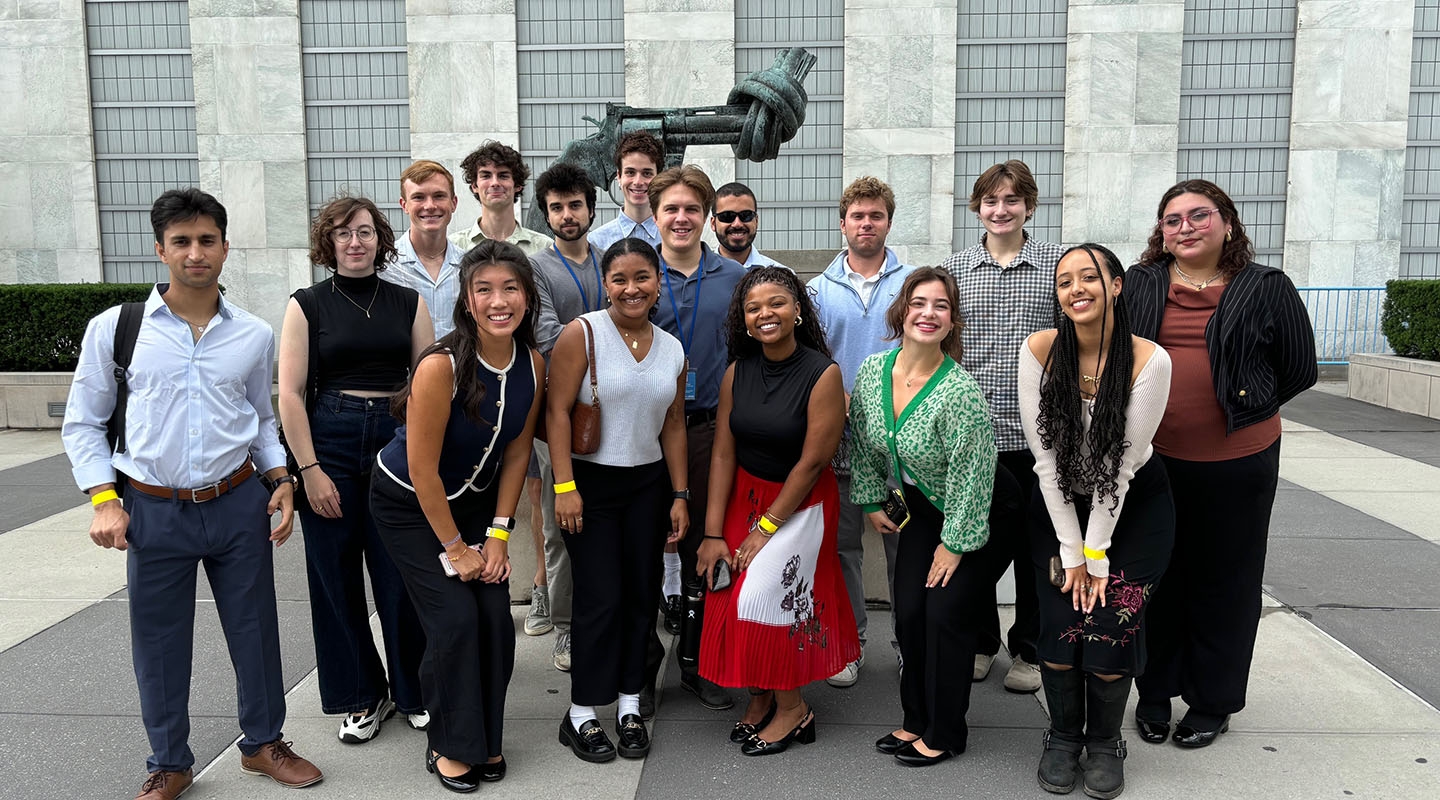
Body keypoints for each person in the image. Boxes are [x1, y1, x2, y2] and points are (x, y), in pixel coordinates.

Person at [61, 188, 323, 800]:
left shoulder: (253, 336)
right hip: (152, 508)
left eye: (207, 240)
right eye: (182, 242)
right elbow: (83, 421)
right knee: (159, 641)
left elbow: (261, 418)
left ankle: (263, 744)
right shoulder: (117, 330)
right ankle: (170, 760)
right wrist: (104, 497)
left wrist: (280, 478)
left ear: (226, 248)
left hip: (236, 503)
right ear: (160, 250)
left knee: (256, 629)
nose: (195, 252)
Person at [1128, 180, 1316, 749]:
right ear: (1160, 232)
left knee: (1227, 581)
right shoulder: (1139, 284)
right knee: (1154, 578)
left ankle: (1212, 700)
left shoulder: (1265, 286)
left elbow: (1299, 367)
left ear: (1227, 223)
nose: (1185, 227)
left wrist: (1244, 406)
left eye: (1198, 216)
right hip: (1152, 463)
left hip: (1240, 462)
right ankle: (1154, 691)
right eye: (1172, 219)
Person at [369, 240, 545, 793]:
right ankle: (448, 742)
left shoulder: (533, 363)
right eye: (485, 290)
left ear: (527, 296)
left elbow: (518, 452)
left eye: (510, 288)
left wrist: (497, 537)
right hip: (408, 505)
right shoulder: (440, 366)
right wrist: (456, 549)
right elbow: (422, 471)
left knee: (494, 619)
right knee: (454, 620)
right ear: (467, 301)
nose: (499, 301)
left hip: (473, 507)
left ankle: (483, 737)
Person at [1020, 243, 1174, 798]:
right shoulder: (1039, 350)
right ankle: (1063, 737)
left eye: (1090, 277)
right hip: (1059, 505)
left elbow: (1120, 466)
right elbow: (1045, 459)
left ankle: (1105, 742)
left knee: (1110, 626)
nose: (1076, 289)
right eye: (1064, 282)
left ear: (1115, 285)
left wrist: (1096, 553)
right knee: (1062, 623)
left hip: (1131, 512)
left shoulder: (1150, 359)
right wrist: (1072, 550)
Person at [278, 196, 434, 744]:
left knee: (401, 572)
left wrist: (420, 459)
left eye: (365, 232)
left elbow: (427, 384)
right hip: (332, 440)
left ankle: (413, 689)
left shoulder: (409, 302)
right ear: (329, 242)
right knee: (335, 576)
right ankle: (362, 696)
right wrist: (310, 470)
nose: (355, 242)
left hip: (394, 438)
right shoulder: (307, 305)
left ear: (380, 238)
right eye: (344, 233)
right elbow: (291, 396)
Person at [697, 265, 860, 757]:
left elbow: (813, 462)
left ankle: (794, 710)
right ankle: (761, 695)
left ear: (797, 311)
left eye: (776, 303)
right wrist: (712, 531)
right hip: (743, 492)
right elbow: (724, 452)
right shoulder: (736, 372)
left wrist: (764, 530)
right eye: (753, 307)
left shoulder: (822, 373)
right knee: (728, 592)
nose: (765, 314)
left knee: (764, 598)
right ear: (743, 320)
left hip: (800, 502)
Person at [849, 267, 1005, 767]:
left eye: (941, 305)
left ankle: (945, 731)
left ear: (952, 319)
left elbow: (974, 477)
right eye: (919, 302)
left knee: (944, 615)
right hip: (921, 505)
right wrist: (872, 500)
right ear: (902, 310)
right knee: (910, 614)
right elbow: (863, 439)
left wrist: (954, 543)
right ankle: (915, 719)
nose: (928, 313)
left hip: (981, 510)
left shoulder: (961, 392)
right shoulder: (874, 371)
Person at [547, 237, 690, 763]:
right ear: (605, 284)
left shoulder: (672, 348)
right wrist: (565, 486)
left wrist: (680, 493)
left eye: (642, 278)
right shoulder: (581, 334)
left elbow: (674, 424)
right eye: (620, 279)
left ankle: (629, 704)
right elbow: (557, 412)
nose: (631, 289)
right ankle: (581, 712)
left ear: (658, 283)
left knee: (639, 596)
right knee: (599, 600)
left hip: (648, 487)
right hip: (590, 488)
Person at [941, 160, 1065, 694]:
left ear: (1029, 207)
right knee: (976, 545)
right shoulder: (956, 270)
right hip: (974, 437)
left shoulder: (1057, 267)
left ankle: (1030, 650)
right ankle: (980, 641)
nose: (1000, 210)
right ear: (978, 208)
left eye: (1011, 200)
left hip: (1039, 436)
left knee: (1037, 550)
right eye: (990, 201)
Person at [806, 176, 915, 688]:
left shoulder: (913, 283)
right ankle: (850, 643)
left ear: (888, 222)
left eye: (875, 215)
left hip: (905, 442)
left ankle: (909, 643)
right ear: (842, 222)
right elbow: (813, 358)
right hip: (843, 444)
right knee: (843, 547)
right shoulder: (818, 290)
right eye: (857, 215)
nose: (866, 223)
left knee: (904, 547)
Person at [645, 165, 747, 712]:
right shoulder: (638, 274)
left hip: (711, 430)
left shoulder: (732, 278)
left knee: (706, 548)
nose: (681, 218)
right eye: (671, 209)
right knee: (641, 546)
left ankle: (697, 661)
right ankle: (640, 666)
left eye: (691, 209)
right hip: (645, 435)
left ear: (705, 216)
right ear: (655, 215)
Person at [528, 162, 612, 670]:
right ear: (547, 214)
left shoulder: (609, 260)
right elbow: (546, 334)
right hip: (558, 413)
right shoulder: (537, 267)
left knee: (605, 523)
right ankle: (566, 628)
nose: (566, 215)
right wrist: (608, 344)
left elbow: (637, 318)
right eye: (556, 208)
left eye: (574, 205)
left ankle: (605, 620)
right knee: (559, 526)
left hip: (614, 415)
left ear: (590, 208)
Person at [382, 160, 467, 337]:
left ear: (454, 203)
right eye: (418, 197)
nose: (430, 206)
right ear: (404, 205)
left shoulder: (469, 266)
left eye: (439, 196)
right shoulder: (383, 266)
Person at [451, 140, 554, 258]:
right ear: (474, 186)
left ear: (517, 185)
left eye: (503, 176)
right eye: (486, 176)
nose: (495, 183)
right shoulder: (454, 246)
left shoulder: (544, 246)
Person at [588, 130, 665, 252]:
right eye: (630, 172)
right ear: (619, 176)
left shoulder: (672, 239)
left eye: (647, 173)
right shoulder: (596, 243)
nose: (638, 182)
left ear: (659, 177)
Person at [711, 182, 789, 270]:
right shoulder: (698, 275)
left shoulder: (781, 278)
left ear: (756, 221)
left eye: (746, 215)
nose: (737, 224)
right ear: (713, 223)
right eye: (727, 216)